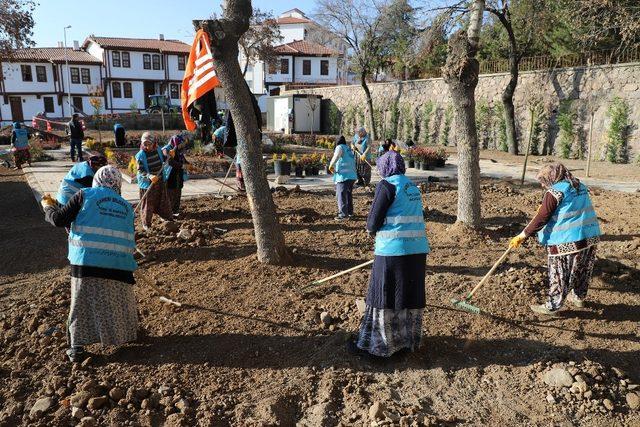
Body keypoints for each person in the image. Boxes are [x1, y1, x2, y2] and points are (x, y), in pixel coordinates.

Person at [40, 166, 138, 362]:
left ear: (97, 180)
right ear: (118, 183)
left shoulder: (84, 195)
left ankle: (77, 348)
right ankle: (125, 334)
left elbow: (60, 219)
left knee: (81, 305)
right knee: (118, 302)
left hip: (87, 264)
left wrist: (48, 207)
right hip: (121, 266)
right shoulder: (127, 207)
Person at [350, 150, 430, 358]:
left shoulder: (387, 185)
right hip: (417, 252)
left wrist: (370, 230)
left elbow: (373, 220)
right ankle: (406, 342)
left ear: (384, 167)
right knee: (407, 296)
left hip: (392, 252)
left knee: (384, 295)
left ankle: (381, 346)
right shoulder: (412, 186)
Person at [510, 163, 601, 315]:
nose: (541, 184)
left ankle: (553, 305)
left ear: (552, 178)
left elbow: (541, 218)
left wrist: (522, 235)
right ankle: (579, 297)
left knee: (559, 273)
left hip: (566, 241)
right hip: (590, 236)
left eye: (543, 180)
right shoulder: (579, 185)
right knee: (582, 268)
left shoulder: (554, 192)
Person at [135, 132, 174, 230]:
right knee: (148, 204)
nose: (147, 146)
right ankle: (146, 224)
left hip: (160, 181)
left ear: (154, 143)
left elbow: (164, 159)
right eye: (145, 144)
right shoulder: (140, 155)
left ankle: (167, 218)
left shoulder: (158, 150)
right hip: (148, 184)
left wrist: (169, 155)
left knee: (163, 200)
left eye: (149, 144)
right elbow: (140, 171)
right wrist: (149, 176)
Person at [328, 135, 357, 220]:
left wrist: (331, 165)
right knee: (348, 194)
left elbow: (336, 156)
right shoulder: (348, 149)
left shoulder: (339, 147)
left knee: (341, 194)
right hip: (352, 176)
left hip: (343, 176)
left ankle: (343, 215)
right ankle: (350, 212)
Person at [162, 134, 190, 217]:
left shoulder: (178, 151)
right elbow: (170, 162)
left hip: (178, 174)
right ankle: (168, 212)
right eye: (181, 144)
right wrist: (182, 166)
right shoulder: (166, 149)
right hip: (169, 175)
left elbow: (183, 160)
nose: (182, 146)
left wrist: (190, 166)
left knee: (178, 191)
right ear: (176, 142)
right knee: (170, 192)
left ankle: (175, 210)